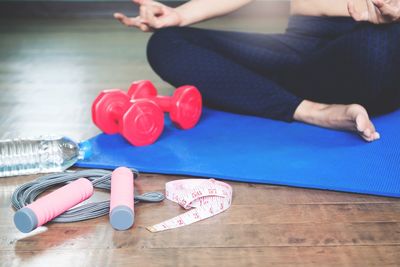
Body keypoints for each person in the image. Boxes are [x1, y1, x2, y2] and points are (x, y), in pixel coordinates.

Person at [114, 0, 400, 142]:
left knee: (385, 40)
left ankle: (255, 93)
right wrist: (180, 15)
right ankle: (310, 110)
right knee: (167, 42)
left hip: (365, 53)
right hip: (295, 54)